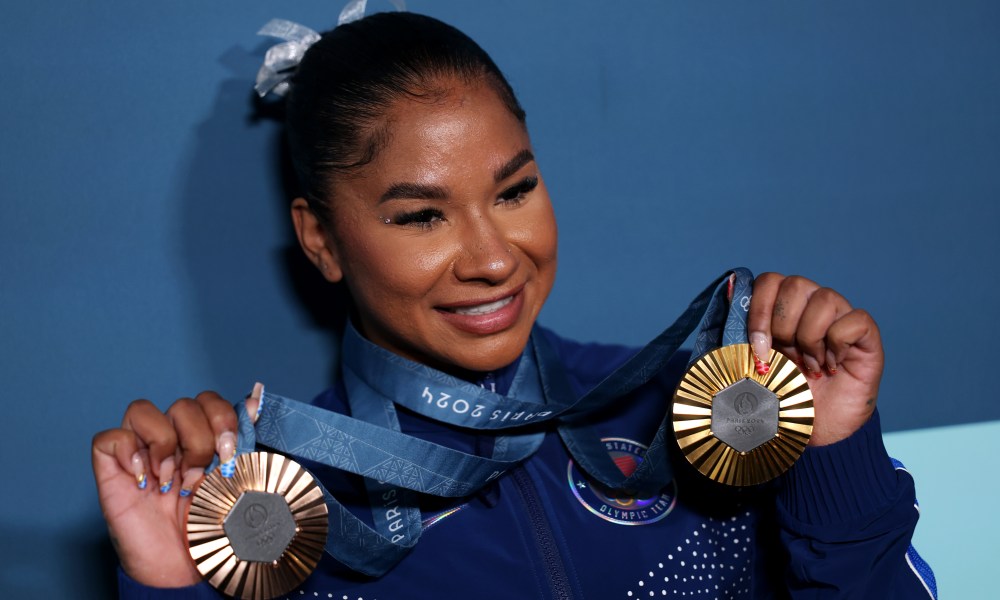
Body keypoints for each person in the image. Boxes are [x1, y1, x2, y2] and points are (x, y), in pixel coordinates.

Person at [91, 10, 936, 599]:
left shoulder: (709, 411)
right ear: (320, 240)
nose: (495, 259)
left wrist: (831, 455)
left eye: (515, 190)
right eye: (421, 215)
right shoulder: (264, 512)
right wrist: (172, 587)